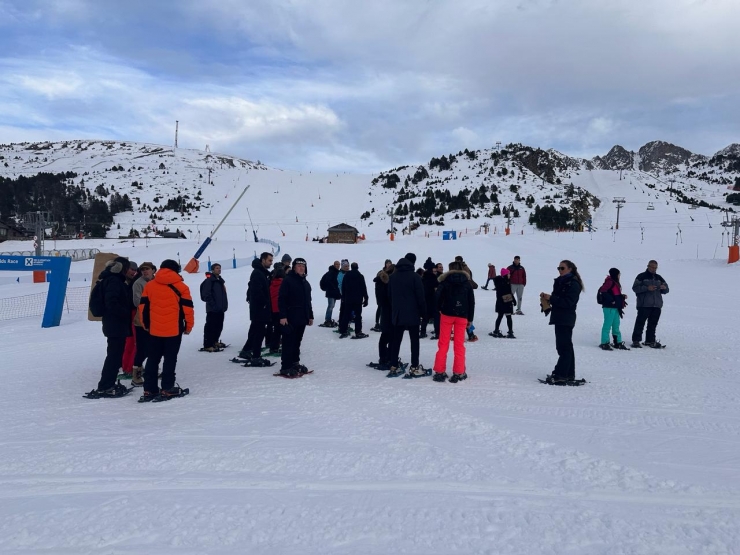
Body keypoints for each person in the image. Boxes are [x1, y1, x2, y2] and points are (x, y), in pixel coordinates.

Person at [137, 259, 194, 401]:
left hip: (154, 330)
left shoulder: (150, 286)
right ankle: (167, 388)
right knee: (170, 359)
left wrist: (145, 325)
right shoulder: (182, 287)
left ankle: (149, 390)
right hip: (174, 330)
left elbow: (143, 307)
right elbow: (188, 309)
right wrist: (188, 326)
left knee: (152, 359)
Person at [85, 257, 135, 398]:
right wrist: (124, 313)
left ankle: (108, 383)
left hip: (113, 324)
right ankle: (106, 386)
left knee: (114, 355)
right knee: (114, 356)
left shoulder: (109, 279)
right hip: (115, 324)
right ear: (121, 268)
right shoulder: (114, 281)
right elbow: (111, 302)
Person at [539, 260, 584, 385]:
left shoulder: (573, 284)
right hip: (559, 317)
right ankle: (568, 373)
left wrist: (551, 298)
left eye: (562, 268)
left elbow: (568, 302)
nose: (559, 270)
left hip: (566, 318)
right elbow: (559, 300)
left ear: (570, 269)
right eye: (558, 268)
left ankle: (561, 374)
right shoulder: (561, 282)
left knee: (563, 347)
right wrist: (546, 302)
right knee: (566, 346)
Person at [432, 261, 475, 383]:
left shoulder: (444, 282)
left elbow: (436, 297)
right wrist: (470, 318)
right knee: (459, 344)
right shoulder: (467, 283)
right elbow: (471, 302)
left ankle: (439, 371)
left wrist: (439, 309)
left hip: (446, 315)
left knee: (443, 343)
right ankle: (459, 371)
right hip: (462, 316)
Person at [387, 252, 426, 378]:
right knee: (414, 341)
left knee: (396, 340)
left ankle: (394, 366)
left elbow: (389, 296)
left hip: (398, 313)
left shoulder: (393, 277)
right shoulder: (415, 277)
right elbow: (421, 297)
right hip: (413, 313)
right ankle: (414, 366)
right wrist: (424, 313)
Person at [278, 257, 314, 377]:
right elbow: (281, 298)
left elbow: (308, 301)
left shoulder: (305, 282)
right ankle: (285, 366)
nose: (301, 268)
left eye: (303, 266)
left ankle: (294, 362)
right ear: (294, 267)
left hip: (302, 317)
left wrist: (310, 315)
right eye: (298, 266)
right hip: (290, 317)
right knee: (288, 342)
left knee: (297, 342)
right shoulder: (288, 280)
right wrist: (282, 316)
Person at [239, 252, 273, 366]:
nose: (270, 263)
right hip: (259, 308)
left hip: (261, 308)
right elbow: (256, 291)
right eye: (269, 260)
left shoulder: (263, 273)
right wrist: (264, 303)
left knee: (255, 330)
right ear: (263, 260)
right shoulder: (257, 273)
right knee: (259, 331)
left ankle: (246, 350)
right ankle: (256, 356)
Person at [631, 260, 669, 348]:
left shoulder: (659, 278)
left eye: (655, 267)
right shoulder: (641, 276)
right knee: (640, 323)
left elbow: (667, 290)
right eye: (652, 267)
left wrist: (664, 288)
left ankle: (650, 340)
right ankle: (636, 340)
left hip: (656, 305)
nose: (653, 269)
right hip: (644, 304)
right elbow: (635, 288)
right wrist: (647, 288)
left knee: (653, 324)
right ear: (648, 266)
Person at [131, 261, 156, 387]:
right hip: (141, 321)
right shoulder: (138, 283)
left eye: (147, 269)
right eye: (143, 270)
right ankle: (136, 374)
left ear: (153, 270)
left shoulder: (157, 282)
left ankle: (151, 370)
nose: (145, 271)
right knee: (142, 349)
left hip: (156, 321)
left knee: (154, 348)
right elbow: (137, 301)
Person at [598, 268, 629, 350]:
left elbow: (613, 294)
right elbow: (603, 291)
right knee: (607, 325)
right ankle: (604, 343)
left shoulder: (614, 283)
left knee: (616, 325)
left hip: (615, 308)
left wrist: (621, 297)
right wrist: (611, 300)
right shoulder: (610, 282)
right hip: (609, 307)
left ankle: (617, 342)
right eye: (619, 274)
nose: (619, 276)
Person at [371, 262, 395, 369]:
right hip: (388, 312)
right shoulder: (385, 282)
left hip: (387, 312)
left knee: (387, 336)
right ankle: (385, 358)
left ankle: (386, 357)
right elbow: (384, 299)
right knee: (386, 336)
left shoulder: (383, 282)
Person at [200, 263, 228, 352]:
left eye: (220, 268)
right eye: (217, 268)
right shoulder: (209, 281)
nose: (219, 270)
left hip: (220, 308)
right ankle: (208, 344)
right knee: (210, 327)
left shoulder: (219, 280)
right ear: (212, 270)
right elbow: (206, 295)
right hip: (212, 309)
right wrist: (214, 305)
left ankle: (215, 341)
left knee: (219, 326)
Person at [338, 262, 369, 339]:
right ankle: (358, 332)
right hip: (358, 300)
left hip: (348, 299)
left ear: (351, 267)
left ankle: (343, 331)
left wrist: (343, 297)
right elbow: (363, 288)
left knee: (346, 315)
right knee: (358, 316)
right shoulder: (360, 276)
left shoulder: (347, 276)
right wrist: (366, 298)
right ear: (357, 267)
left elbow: (343, 287)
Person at [120, 261, 140, 378]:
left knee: (130, 342)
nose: (133, 272)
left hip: (128, 314)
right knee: (133, 342)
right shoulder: (129, 282)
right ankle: (130, 367)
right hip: (131, 314)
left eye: (135, 270)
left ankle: (127, 367)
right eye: (131, 269)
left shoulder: (128, 281)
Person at [490, 267, 516, 338]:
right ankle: (508, 331)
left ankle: (497, 330)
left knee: (501, 316)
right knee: (507, 317)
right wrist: (512, 300)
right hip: (505, 303)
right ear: (505, 275)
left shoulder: (505, 282)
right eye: (508, 274)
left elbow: (509, 292)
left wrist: (513, 300)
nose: (509, 275)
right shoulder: (503, 283)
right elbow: (506, 293)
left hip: (503, 303)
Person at [267, 263, 285, 355]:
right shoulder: (283, 284)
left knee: (276, 329)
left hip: (273, 309)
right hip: (281, 309)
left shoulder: (272, 283)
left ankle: (273, 346)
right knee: (282, 328)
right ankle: (275, 347)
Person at [371, 259, 393, 332]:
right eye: (387, 263)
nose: (388, 264)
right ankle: (377, 323)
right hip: (382, 294)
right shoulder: (381, 272)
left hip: (389, 293)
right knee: (380, 308)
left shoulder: (393, 272)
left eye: (390, 263)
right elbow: (376, 282)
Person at [319, 260, 341, 327]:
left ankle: (328, 319)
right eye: (336, 264)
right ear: (334, 265)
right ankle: (327, 320)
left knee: (332, 306)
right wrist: (333, 288)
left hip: (333, 292)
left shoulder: (337, 273)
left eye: (338, 265)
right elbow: (327, 282)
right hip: (331, 292)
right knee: (330, 306)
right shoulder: (331, 272)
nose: (338, 266)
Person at [421, 258, 438, 338]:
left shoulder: (423, 278)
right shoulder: (434, 278)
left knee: (425, 317)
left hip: (425, 300)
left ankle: (422, 332)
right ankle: (437, 332)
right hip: (433, 300)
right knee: (436, 317)